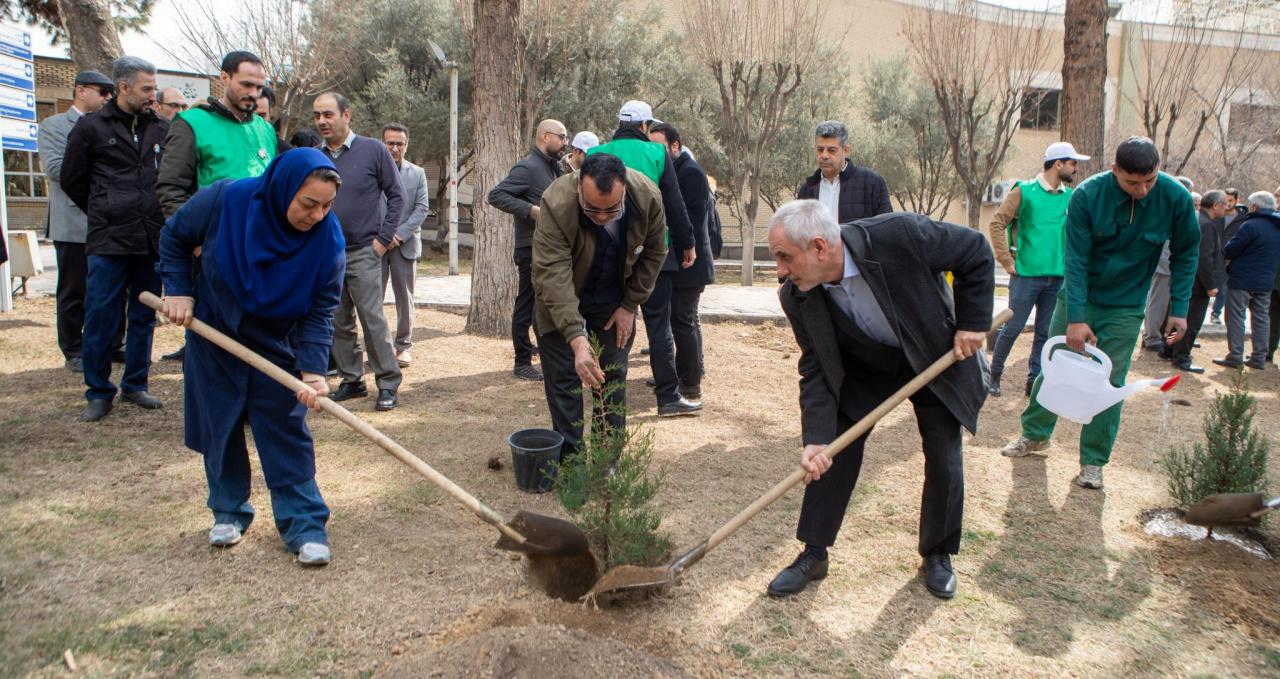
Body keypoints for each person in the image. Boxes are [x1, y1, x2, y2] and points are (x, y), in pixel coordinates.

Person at [765, 200, 993, 600]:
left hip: (931, 355)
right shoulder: (796, 296)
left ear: (819, 247)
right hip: (868, 367)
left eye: (785, 257)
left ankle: (937, 553)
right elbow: (816, 366)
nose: (780, 270)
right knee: (833, 449)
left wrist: (972, 323)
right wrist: (815, 438)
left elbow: (974, 250)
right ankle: (814, 553)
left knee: (943, 453)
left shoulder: (898, 235)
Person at [157, 148, 346, 567]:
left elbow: (320, 311)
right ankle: (228, 511)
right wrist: (179, 289)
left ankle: (304, 524)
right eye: (308, 204)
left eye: (327, 205)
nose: (317, 215)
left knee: (285, 431)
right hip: (214, 334)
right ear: (282, 189)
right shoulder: (224, 201)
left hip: (277, 344)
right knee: (219, 424)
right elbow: (174, 236)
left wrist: (313, 371)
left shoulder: (328, 240)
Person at [1001, 137, 1199, 490]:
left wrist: (1179, 308)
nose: (1142, 190)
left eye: (1149, 181)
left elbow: (1186, 254)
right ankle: (1035, 434)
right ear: (1115, 170)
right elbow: (1075, 259)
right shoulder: (1087, 195)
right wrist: (1076, 317)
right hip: (1080, 295)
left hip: (1126, 305)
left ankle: (1093, 462)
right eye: (1132, 182)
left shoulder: (1175, 198)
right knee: (1055, 367)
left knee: (1111, 383)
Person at [532, 153, 667, 460]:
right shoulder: (556, 202)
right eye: (593, 209)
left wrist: (630, 305)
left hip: (613, 302)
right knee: (565, 382)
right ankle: (572, 464)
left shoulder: (647, 197)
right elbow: (552, 275)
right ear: (579, 187)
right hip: (560, 301)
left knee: (612, 379)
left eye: (612, 210)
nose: (603, 217)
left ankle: (607, 464)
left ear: (624, 191)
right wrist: (577, 339)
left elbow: (655, 253)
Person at [60, 56, 169, 422]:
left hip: (150, 238)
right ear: (124, 87)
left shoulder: (162, 128)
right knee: (101, 315)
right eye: (147, 88)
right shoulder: (91, 128)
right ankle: (98, 391)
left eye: (154, 88)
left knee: (144, 316)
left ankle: (136, 384)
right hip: (109, 241)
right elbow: (72, 179)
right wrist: (103, 209)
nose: (153, 95)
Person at [157, 51, 279, 362]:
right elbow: (171, 190)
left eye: (259, 87)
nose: (253, 93)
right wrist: (196, 245)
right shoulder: (192, 123)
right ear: (224, 78)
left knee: (260, 339)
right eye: (246, 84)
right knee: (214, 345)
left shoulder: (264, 129)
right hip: (212, 253)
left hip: (260, 254)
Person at [588, 100, 699, 417]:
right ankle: (668, 397)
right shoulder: (657, 153)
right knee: (659, 326)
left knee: (607, 323)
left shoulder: (596, 153)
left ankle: (605, 392)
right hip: (652, 254)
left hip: (606, 256)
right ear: (645, 126)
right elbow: (673, 203)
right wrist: (687, 243)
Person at [313, 91, 405, 410]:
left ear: (346, 115)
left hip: (365, 251)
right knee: (338, 320)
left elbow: (397, 195)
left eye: (328, 114)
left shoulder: (373, 150)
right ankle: (351, 380)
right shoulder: (314, 156)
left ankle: (388, 383)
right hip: (326, 255)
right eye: (317, 116)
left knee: (372, 319)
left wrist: (382, 239)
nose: (322, 121)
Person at [986, 142, 1087, 397]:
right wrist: (1006, 260)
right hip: (1026, 275)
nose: (1075, 168)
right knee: (1013, 327)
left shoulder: (1070, 196)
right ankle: (993, 374)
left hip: (1057, 276)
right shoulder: (1024, 191)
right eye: (1072, 163)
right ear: (1058, 164)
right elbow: (997, 223)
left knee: (1045, 332)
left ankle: (1034, 381)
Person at [38, 70, 113, 373]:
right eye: (102, 91)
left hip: (108, 224)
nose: (108, 98)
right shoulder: (54, 126)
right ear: (81, 91)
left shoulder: (110, 126)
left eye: (111, 92)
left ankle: (111, 344)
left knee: (108, 291)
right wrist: (104, 168)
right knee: (73, 290)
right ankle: (73, 349)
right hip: (73, 223)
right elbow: (56, 169)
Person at [487, 119, 567, 381]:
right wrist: (530, 210)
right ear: (545, 136)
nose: (565, 143)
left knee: (542, 304)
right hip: (530, 249)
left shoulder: (554, 167)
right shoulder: (528, 167)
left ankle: (541, 351)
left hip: (550, 249)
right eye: (561, 137)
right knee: (527, 303)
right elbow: (496, 195)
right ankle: (522, 361)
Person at [649, 122, 714, 402]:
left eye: (660, 147)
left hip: (690, 264)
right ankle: (681, 374)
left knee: (683, 321)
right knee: (679, 320)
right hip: (678, 263)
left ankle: (690, 383)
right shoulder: (673, 170)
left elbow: (690, 222)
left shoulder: (691, 173)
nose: (655, 153)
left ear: (675, 146)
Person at [379, 122, 429, 367]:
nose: (395, 148)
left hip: (404, 245)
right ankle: (378, 347)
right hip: (376, 245)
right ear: (383, 144)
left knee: (405, 300)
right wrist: (381, 237)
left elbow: (422, 208)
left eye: (400, 144)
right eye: (390, 143)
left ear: (406, 146)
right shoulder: (372, 171)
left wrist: (397, 235)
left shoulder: (417, 173)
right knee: (372, 299)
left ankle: (403, 346)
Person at [1214, 191, 1280, 370]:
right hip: (1266, 280)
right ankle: (1259, 357)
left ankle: (1235, 355)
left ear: (1255, 207)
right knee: (1262, 318)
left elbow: (1231, 249)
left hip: (1242, 279)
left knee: (1236, 317)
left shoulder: (1250, 225)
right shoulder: (1277, 226)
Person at [1166, 191, 1226, 373]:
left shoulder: (1199, 220)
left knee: (1181, 317)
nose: (1225, 209)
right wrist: (1211, 284)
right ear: (1215, 205)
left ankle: (1169, 349)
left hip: (1188, 282)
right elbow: (1204, 258)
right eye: (1224, 204)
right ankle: (1181, 357)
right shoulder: (1206, 224)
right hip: (1197, 284)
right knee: (1191, 322)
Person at [795, 120, 892, 223]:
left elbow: (888, 227)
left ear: (846, 150)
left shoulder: (871, 183)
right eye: (820, 149)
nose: (824, 155)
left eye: (832, 150)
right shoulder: (806, 190)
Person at [256, 85, 292, 152]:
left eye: (261, 116)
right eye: (249, 116)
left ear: (270, 112)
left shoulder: (284, 152)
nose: (255, 121)